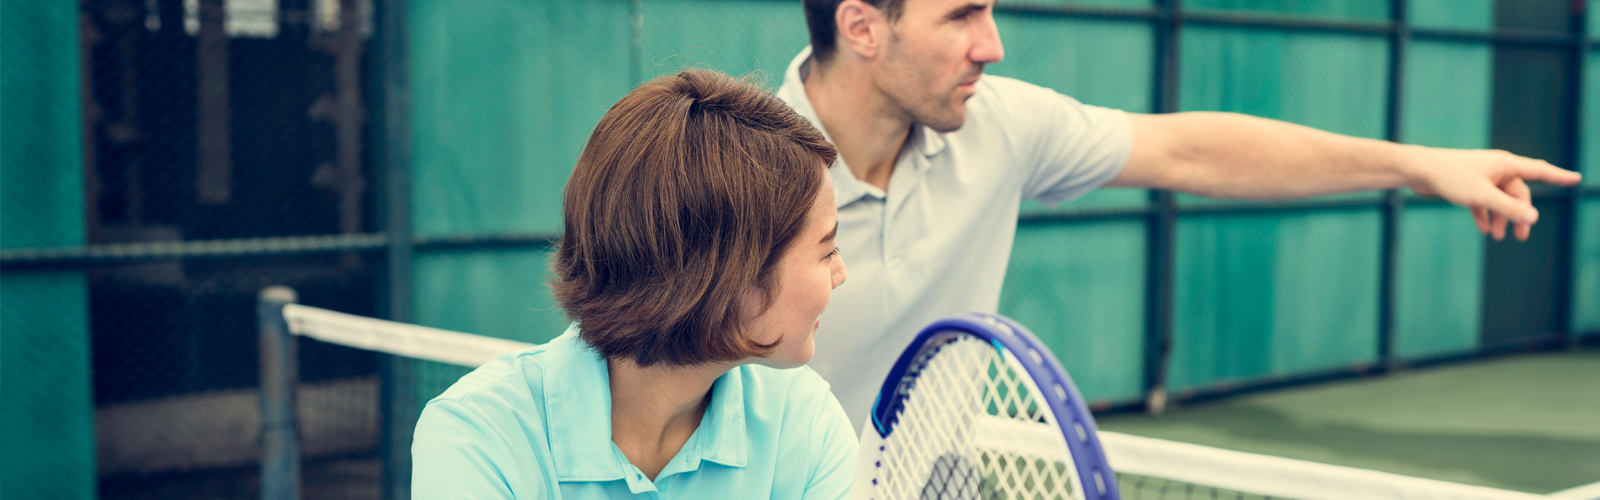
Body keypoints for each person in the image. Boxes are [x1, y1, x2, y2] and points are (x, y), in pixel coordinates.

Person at [786, 0, 1586, 424]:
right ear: (861, 27)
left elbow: (1196, 152)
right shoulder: (737, 178)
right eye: (962, 14)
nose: (992, 45)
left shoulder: (1001, 122)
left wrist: (1418, 165)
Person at [411, 69, 855, 499]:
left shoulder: (804, 421)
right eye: (826, 250)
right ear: (730, 278)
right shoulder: (477, 436)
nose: (840, 274)